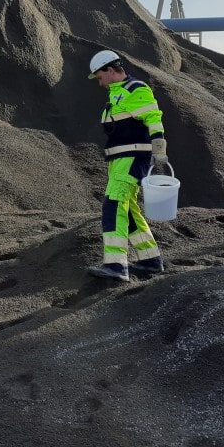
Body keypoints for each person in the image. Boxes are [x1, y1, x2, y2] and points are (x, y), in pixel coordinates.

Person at [86, 50, 167, 282]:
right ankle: (150, 260)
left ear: (110, 70)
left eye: (100, 77)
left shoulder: (135, 89)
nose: (100, 82)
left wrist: (159, 150)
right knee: (128, 210)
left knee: (113, 206)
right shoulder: (118, 93)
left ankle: (116, 265)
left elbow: (154, 118)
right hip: (120, 160)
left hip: (131, 159)